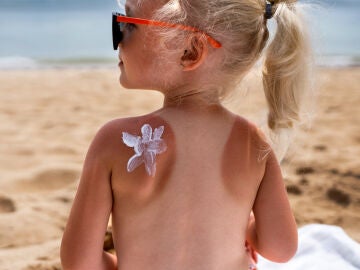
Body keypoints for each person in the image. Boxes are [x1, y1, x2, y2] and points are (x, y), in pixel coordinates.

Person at [61, 0, 312, 269]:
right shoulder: (254, 143)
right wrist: (249, 229)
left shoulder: (114, 140)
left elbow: (79, 262)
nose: (118, 38)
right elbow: (281, 249)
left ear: (191, 51)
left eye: (128, 25)